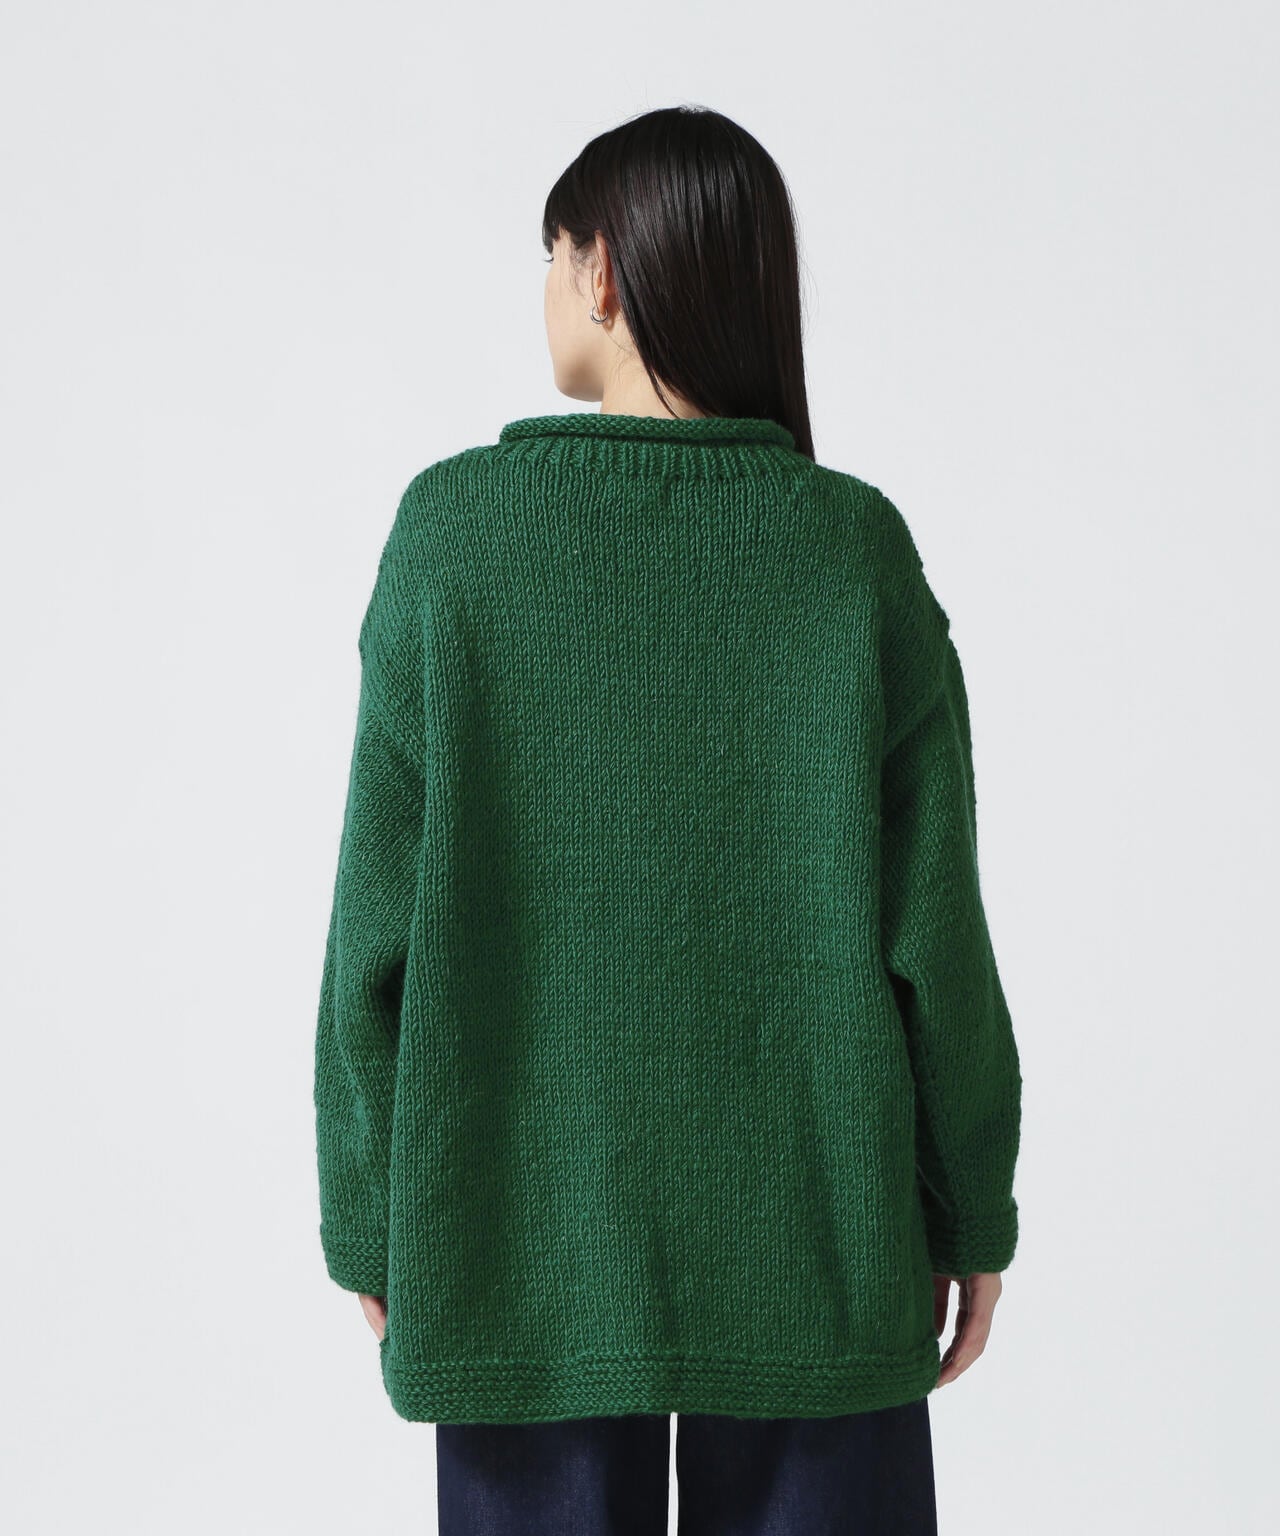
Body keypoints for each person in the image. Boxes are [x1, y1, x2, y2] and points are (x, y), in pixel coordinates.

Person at [313, 104, 1023, 1535]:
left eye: (552, 252)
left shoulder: (453, 538)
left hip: (518, 1241)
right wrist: (970, 1208)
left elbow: (372, 929)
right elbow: (936, 937)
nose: (547, 284)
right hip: (820, 1243)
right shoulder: (851, 552)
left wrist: (370, 1207)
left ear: (605, 273)